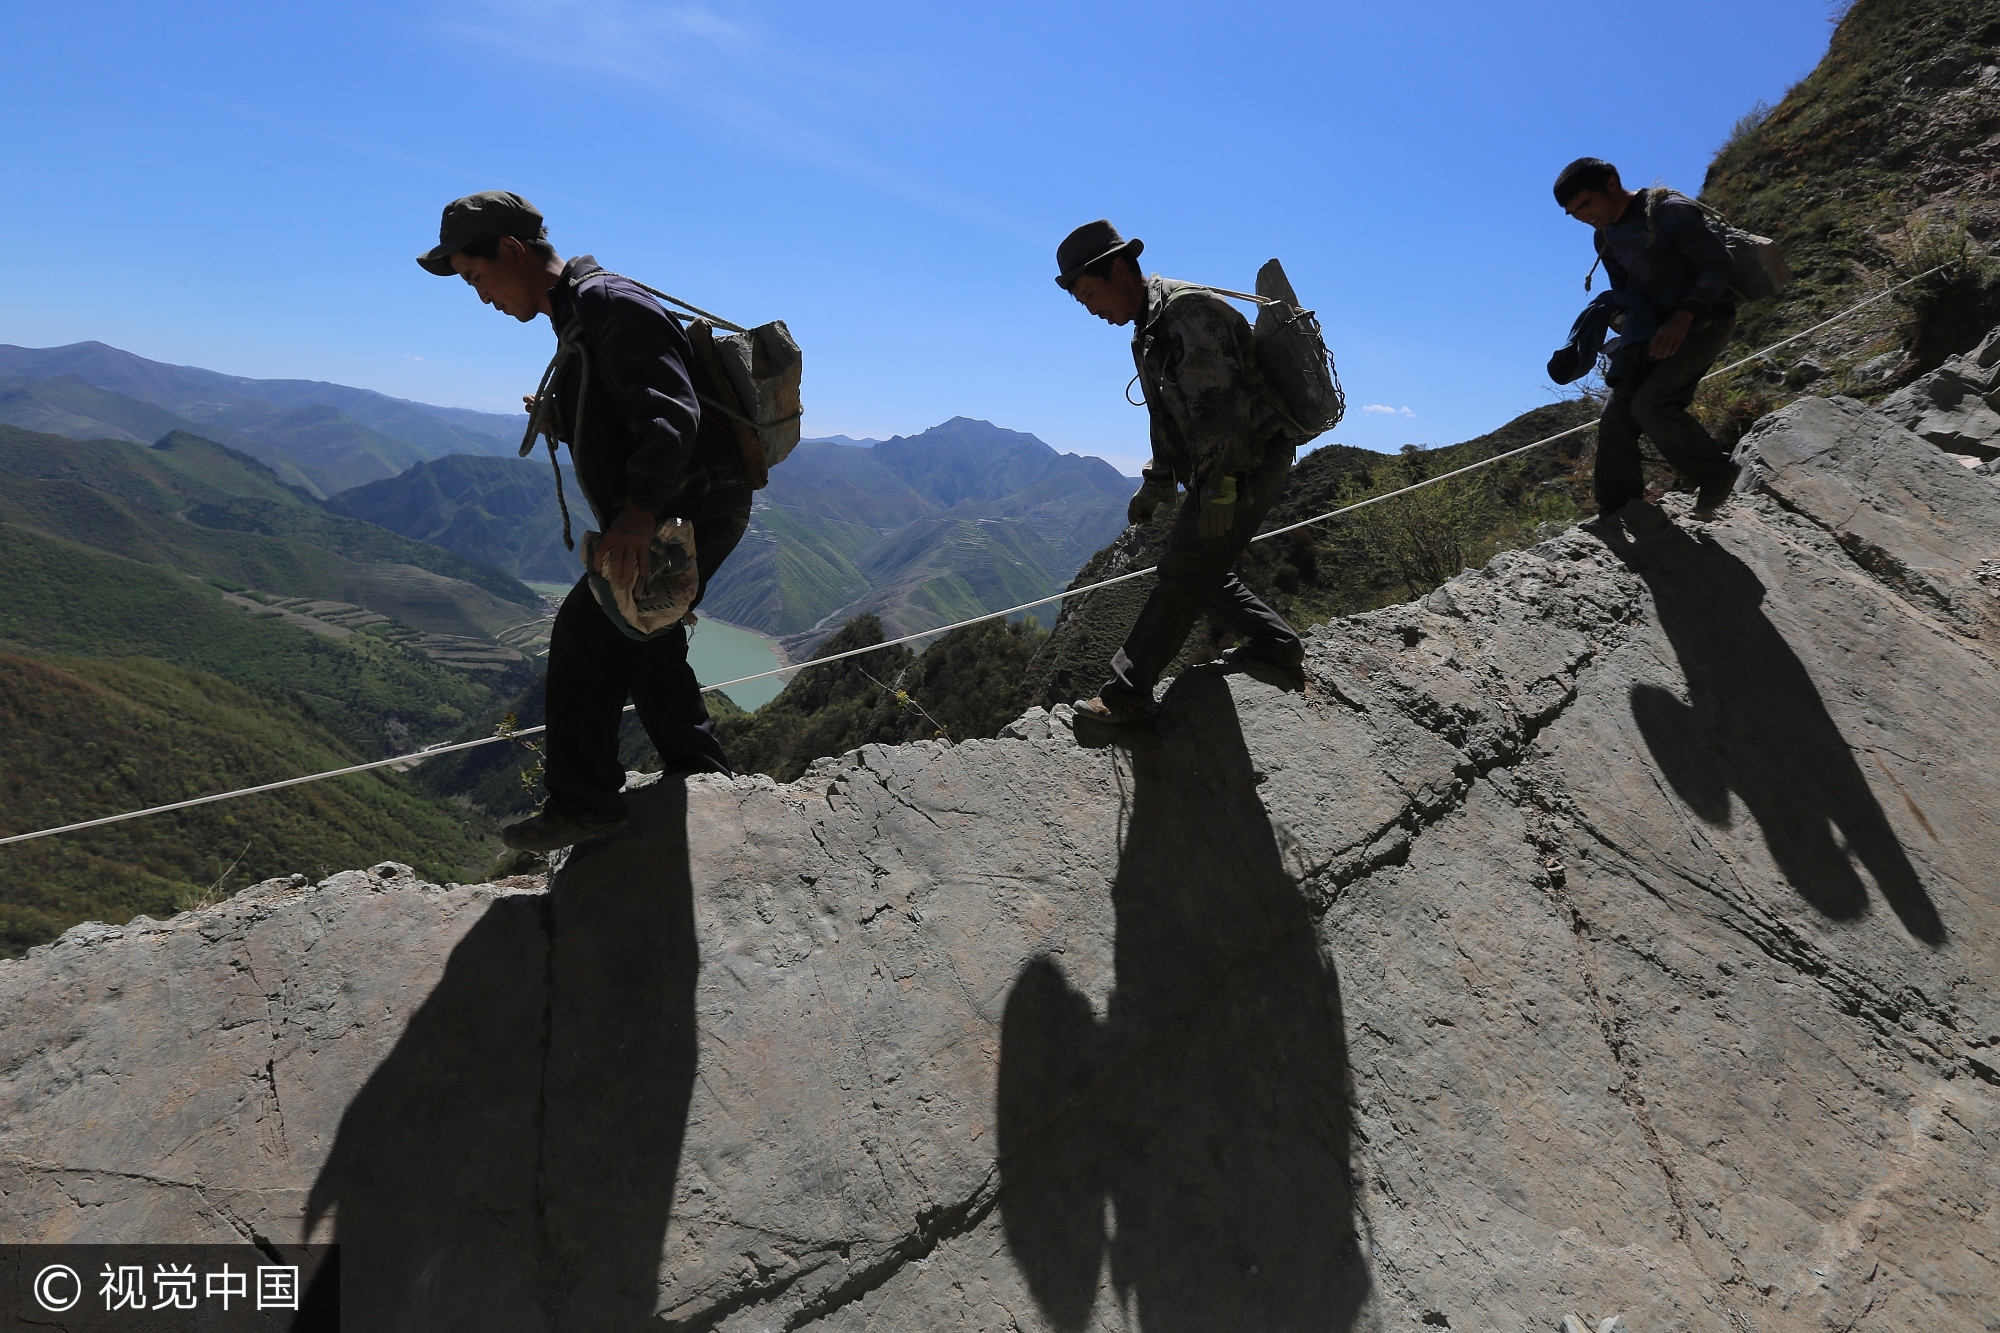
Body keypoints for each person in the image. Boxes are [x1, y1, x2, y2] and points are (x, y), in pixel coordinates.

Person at [417, 191, 752, 851]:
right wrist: (565, 416)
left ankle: (585, 801)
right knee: (647, 641)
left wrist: (636, 514)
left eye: (477, 277)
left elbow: (672, 413)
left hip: (688, 507)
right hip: (692, 503)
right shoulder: (576, 315)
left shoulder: (606, 302)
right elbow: (627, 412)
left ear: (511, 250)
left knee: (584, 629)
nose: (481, 296)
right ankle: (706, 776)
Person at [1055, 219, 1305, 725]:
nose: (1091, 310)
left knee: (1184, 569)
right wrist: (1158, 481)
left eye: (1089, 294)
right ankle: (1277, 644)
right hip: (1224, 469)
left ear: (1120, 270)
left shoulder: (1185, 311)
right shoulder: (1148, 331)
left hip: (1247, 463)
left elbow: (1223, 410)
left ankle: (1127, 693)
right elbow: (1169, 418)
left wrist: (1217, 492)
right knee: (1200, 569)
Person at [1552, 158, 1742, 524]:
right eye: (1572, 212)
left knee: (1651, 405)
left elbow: (1718, 263)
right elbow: (1624, 289)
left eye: (1585, 204)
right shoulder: (1604, 235)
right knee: (1616, 411)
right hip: (1653, 332)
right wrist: (1620, 318)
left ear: (1611, 184)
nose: (1581, 216)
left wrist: (1684, 316)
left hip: (1704, 323)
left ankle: (1716, 473)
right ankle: (1618, 507)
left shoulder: (1667, 211)